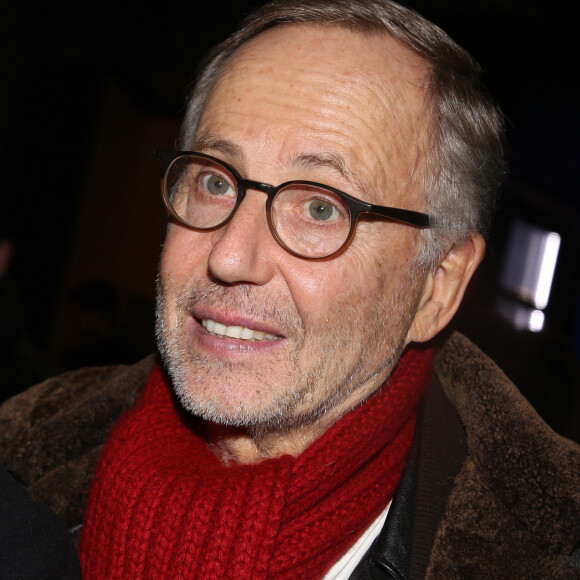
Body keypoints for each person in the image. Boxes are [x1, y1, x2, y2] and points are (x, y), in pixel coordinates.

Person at [1, 0, 578, 578]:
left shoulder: (541, 554)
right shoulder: (20, 464)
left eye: (321, 207)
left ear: (436, 286)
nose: (229, 255)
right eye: (214, 181)